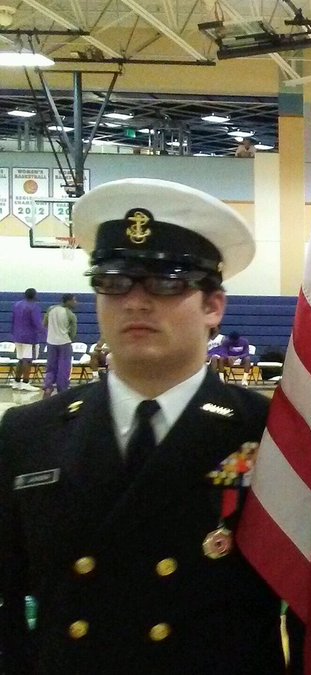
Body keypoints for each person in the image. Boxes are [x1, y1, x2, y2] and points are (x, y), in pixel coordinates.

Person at [0, 178, 292, 672]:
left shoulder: (270, 433)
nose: (135, 302)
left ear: (213, 307)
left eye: (166, 282)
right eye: (114, 282)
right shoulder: (29, 433)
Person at [42, 293, 78, 397]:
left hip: (51, 342)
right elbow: (73, 333)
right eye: (74, 300)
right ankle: (62, 391)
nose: (76, 303)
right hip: (64, 343)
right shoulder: (71, 314)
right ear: (68, 301)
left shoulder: (51, 309)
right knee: (64, 367)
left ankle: (48, 387)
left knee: (51, 366)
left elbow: (44, 324)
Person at [9, 287, 43, 391]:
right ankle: (25, 382)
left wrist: (13, 333)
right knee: (27, 360)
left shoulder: (17, 305)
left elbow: (13, 320)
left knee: (20, 359)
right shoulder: (33, 307)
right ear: (34, 295)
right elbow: (37, 323)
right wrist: (44, 332)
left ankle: (17, 381)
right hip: (29, 337)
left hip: (17, 335)